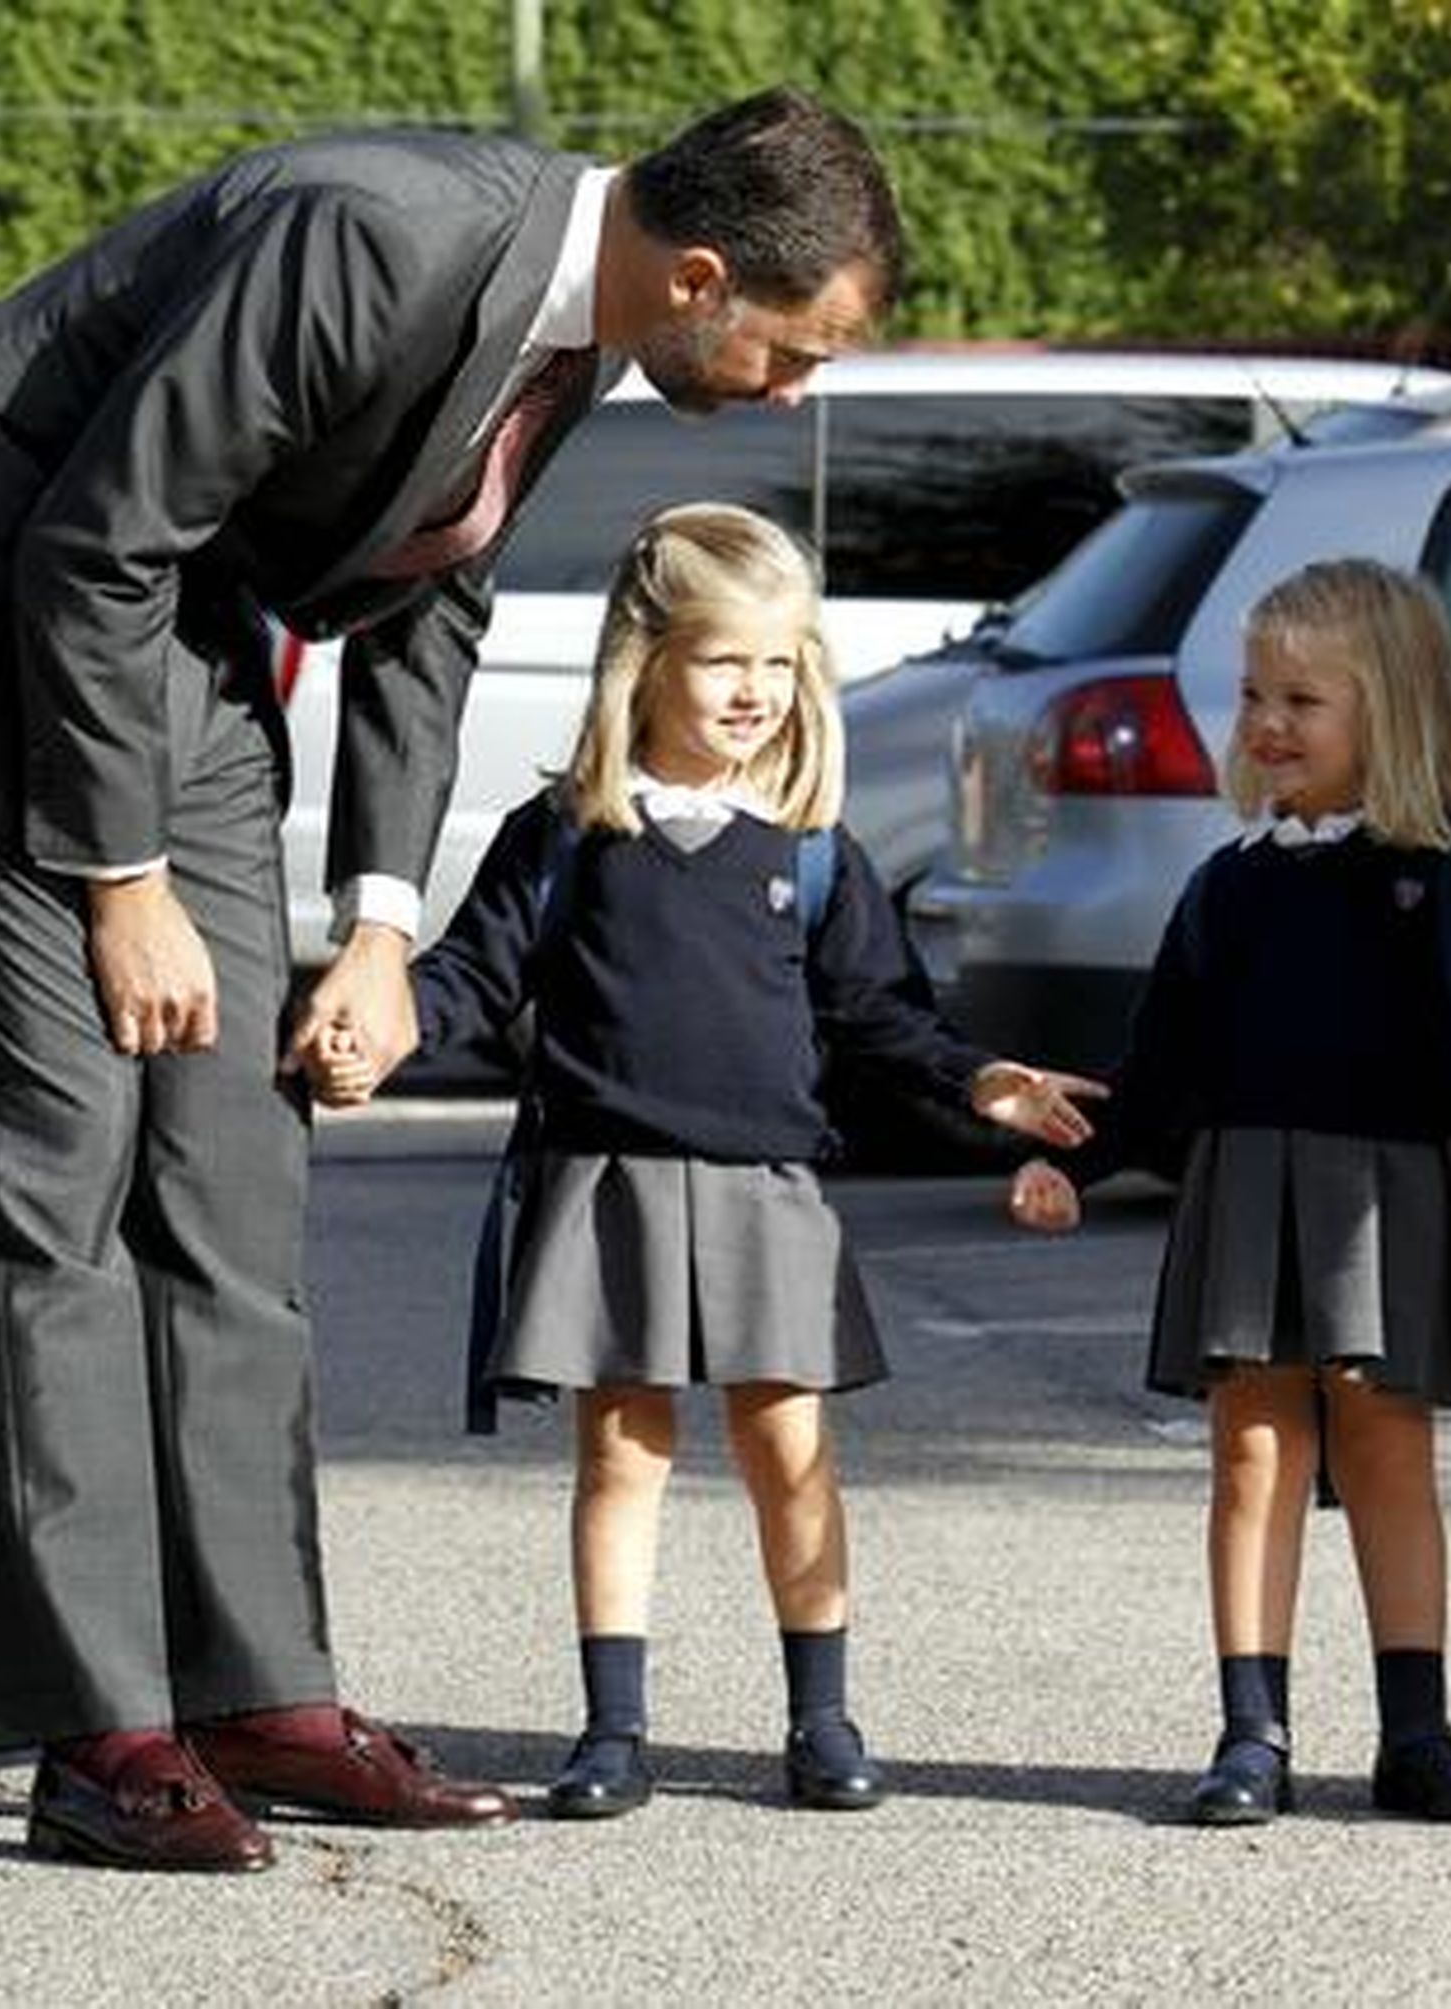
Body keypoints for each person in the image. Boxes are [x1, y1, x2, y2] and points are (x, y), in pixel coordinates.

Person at [0, 88, 904, 1873]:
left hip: (175, 649)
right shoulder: (369, 238)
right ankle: (101, 1730)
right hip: (33, 622)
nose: (797, 392)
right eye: (796, 351)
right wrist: (122, 881)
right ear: (703, 278)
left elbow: (433, 600)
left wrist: (382, 929)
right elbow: (91, 544)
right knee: (66, 1198)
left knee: (229, 1181)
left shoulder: (577, 330)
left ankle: (256, 1693)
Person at [310, 502, 1106, 1819]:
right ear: (646, 662)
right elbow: (467, 981)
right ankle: (613, 1730)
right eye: (725, 658)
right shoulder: (565, 835)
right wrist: (377, 1033)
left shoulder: (811, 850)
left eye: (780, 663)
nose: (756, 690)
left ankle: (822, 1718)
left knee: (790, 1451)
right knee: (621, 1457)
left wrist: (981, 1080)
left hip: (764, 1191)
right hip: (603, 1185)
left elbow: (879, 1014)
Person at [1006, 557, 1451, 1828]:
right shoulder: (1229, 885)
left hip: (1395, 1197)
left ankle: (1417, 1736)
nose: (1266, 723)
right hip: (1245, 1191)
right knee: (1252, 1456)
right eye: (1252, 695)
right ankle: (1250, 1732)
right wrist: (1071, 1157)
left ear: (1396, 710)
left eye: (1302, 700)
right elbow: (1160, 1071)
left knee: (1388, 1456)